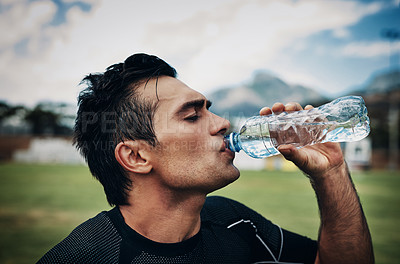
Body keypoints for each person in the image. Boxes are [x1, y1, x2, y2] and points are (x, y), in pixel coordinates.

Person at [37, 53, 374, 264]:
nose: (223, 123)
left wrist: (331, 172)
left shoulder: (235, 222)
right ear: (136, 156)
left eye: (208, 108)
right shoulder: (84, 257)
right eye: (192, 116)